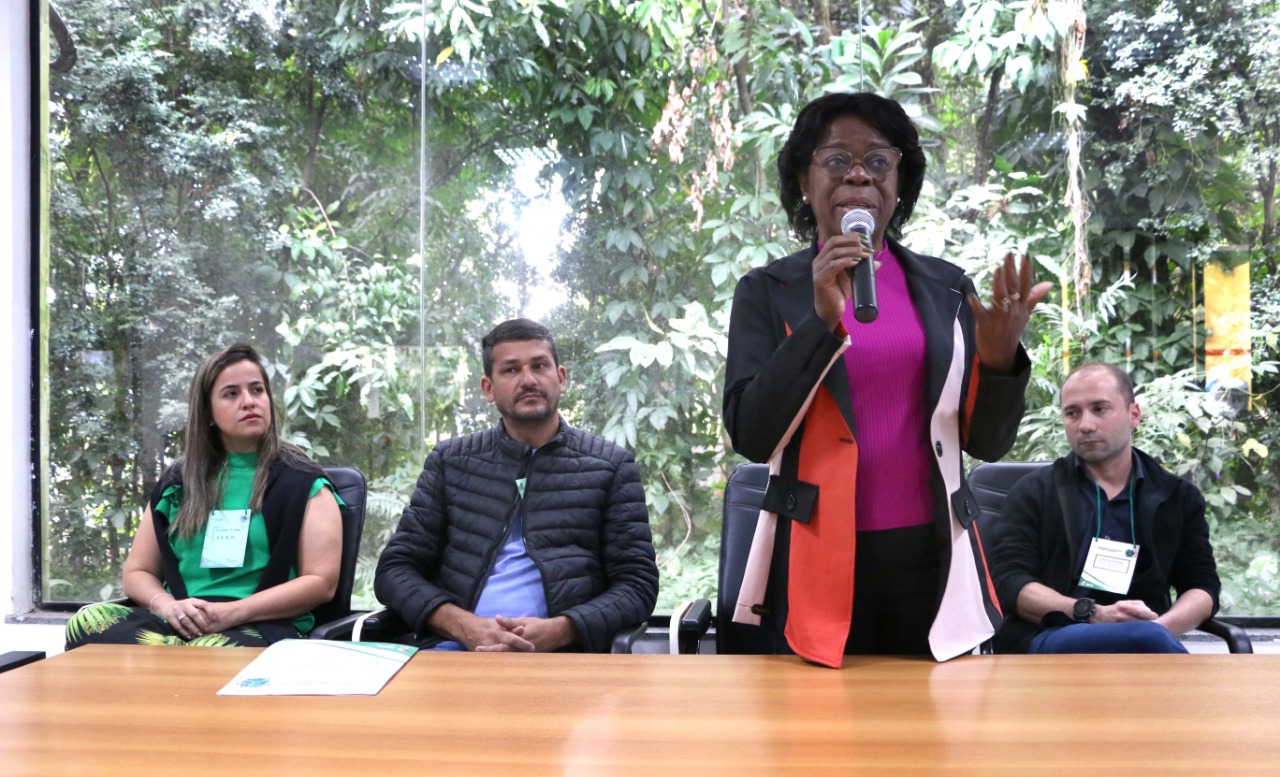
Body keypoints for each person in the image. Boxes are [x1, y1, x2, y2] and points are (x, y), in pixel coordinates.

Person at [723, 92, 1050, 667]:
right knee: (821, 720)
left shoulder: (947, 289)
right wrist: (821, 324)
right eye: (836, 160)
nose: (859, 175)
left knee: (935, 720)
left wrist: (999, 363)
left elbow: (987, 443)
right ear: (804, 183)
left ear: (899, 186)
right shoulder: (767, 291)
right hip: (816, 558)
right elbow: (752, 434)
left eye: (878, 161)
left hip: (932, 559)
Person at [374, 318, 659, 652]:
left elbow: (637, 585)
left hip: (562, 657)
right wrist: (465, 627)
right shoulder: (451, 462)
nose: (529, 380)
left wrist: (560, 631)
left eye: (540, 366)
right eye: (511, 370)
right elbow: (395, 570)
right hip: (457, 650)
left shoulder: (609, 466)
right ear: (488, 388)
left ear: (561, 378)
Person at [65, 343, 343, 649]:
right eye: (231, 393)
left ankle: (166, 658)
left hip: (262, 625)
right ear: (207, 411)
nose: (249, 402)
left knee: (209, 648)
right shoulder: (178, 482)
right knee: (86, 621)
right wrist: (168, 606)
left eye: (257, 390)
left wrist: (232, 612)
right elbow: (137, 571)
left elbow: (321, 582)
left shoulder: (304, 482)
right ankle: (173, 655)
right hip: (182, 623)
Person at [989, 363, 1220, 653]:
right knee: (1145, 642)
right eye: (1072, 413)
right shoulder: (1034, 492)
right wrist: (1092, 613)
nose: (1085, 425)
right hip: (1053, 634)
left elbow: (1202, 586)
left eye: (1099, 409)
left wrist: (1161, 628)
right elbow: (1008, 582)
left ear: (1134, 414)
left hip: (1148, 639)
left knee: (1144, 640)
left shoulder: (1176, 497)